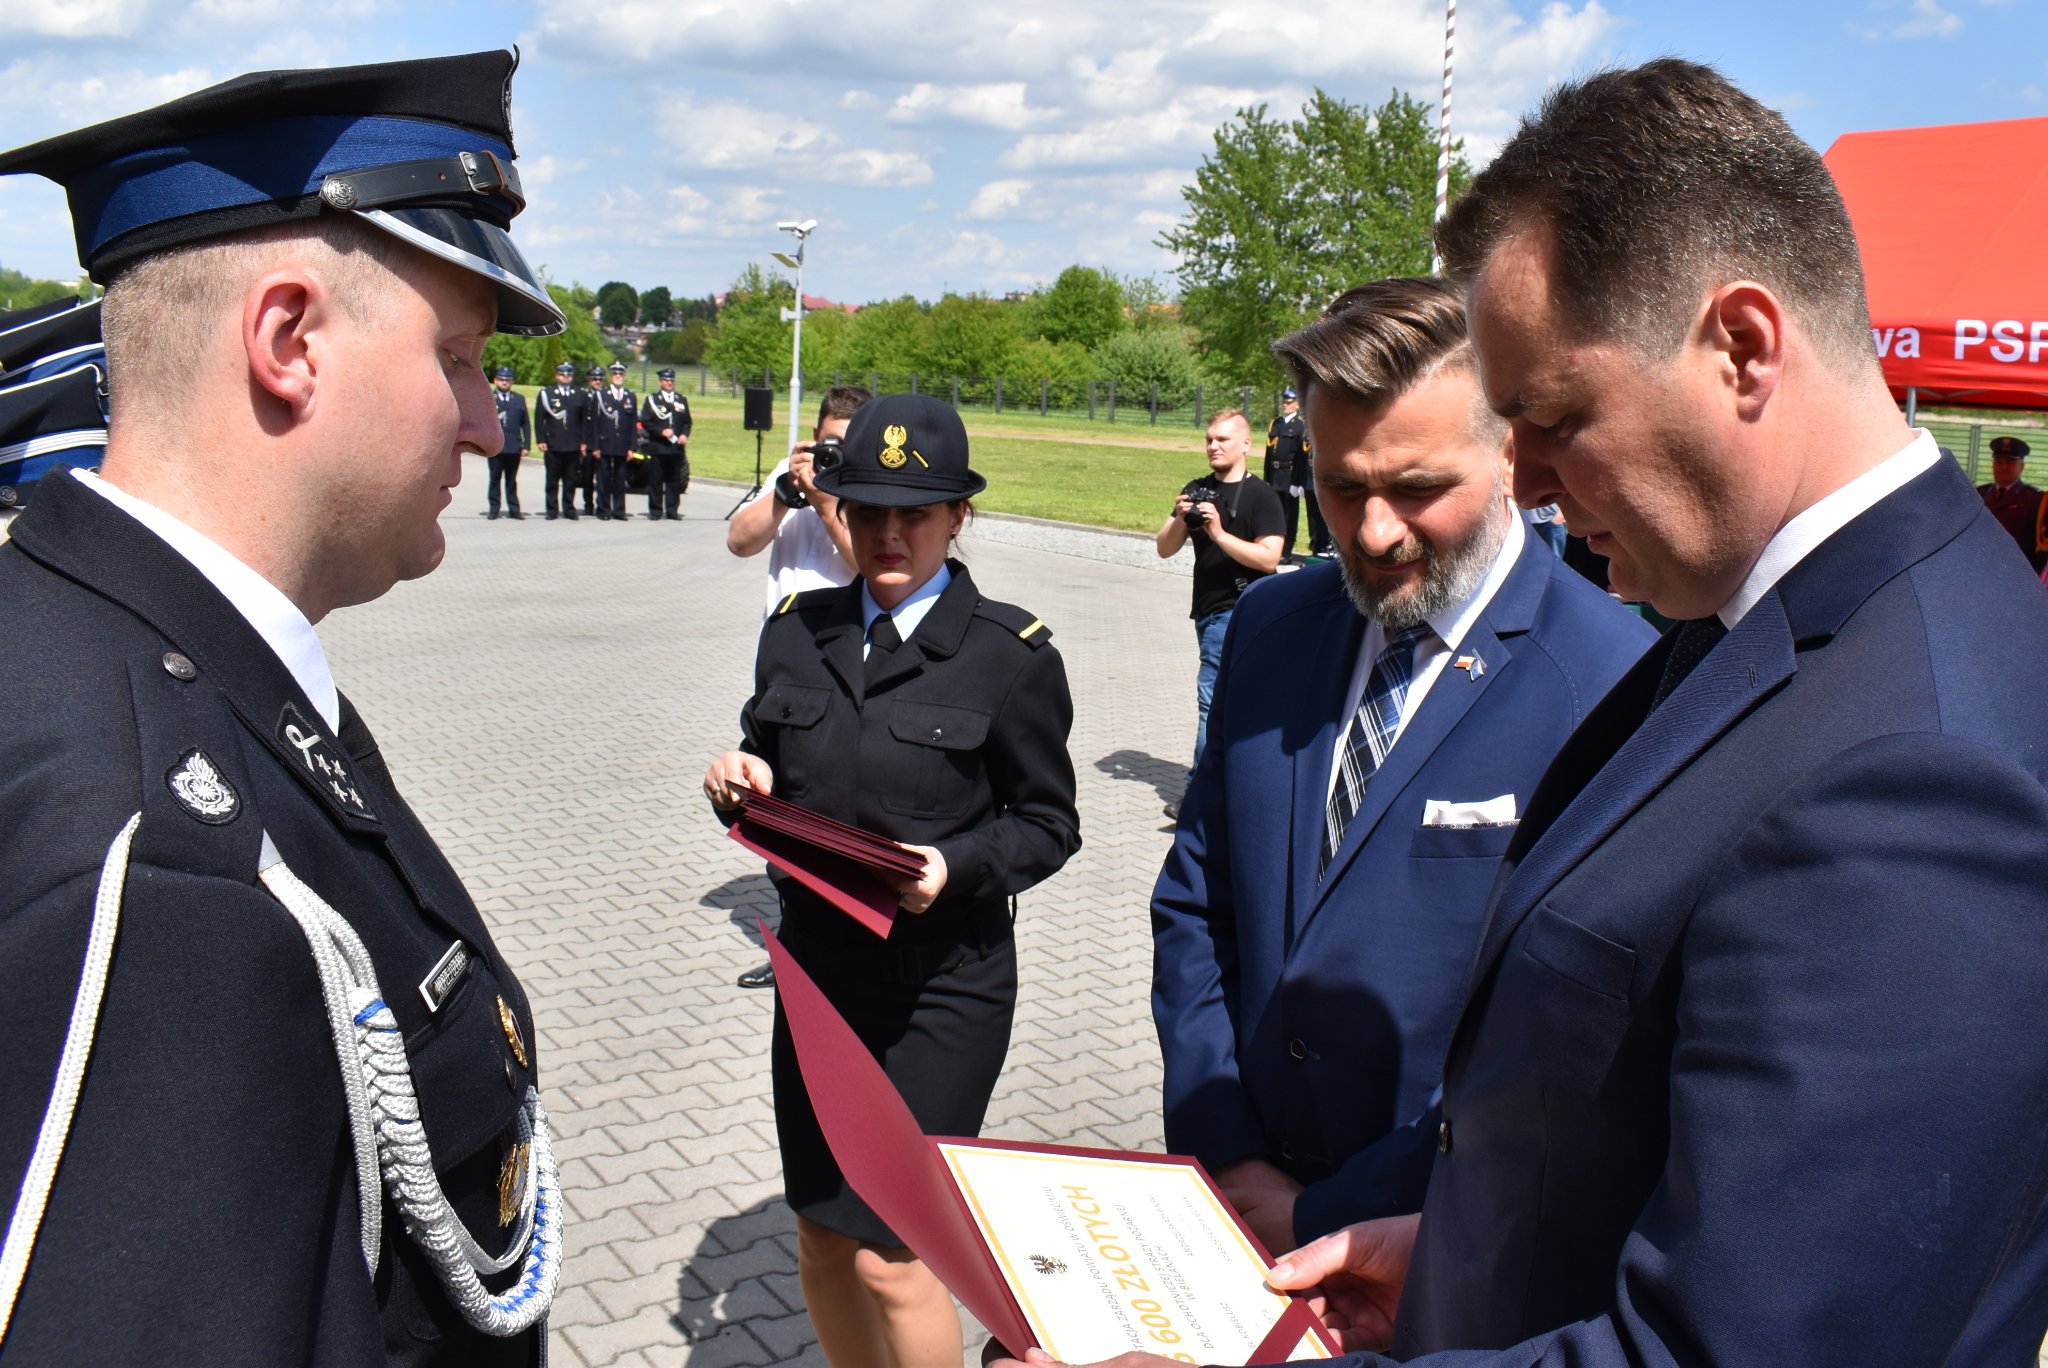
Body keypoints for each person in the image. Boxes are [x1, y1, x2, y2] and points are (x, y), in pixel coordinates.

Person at [1001, 57, 2048, 1368]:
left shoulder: (1921, 763)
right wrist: (1458, 1264)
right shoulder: (1787, 624)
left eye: (1554, 417)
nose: (1533, 484)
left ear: (1742, 347)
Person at [0, 49, 569, 1363]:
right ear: (289, 341)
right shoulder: (166, 873)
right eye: (461, 357)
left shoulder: (132, 647)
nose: (489, 425)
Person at [1151, 279, 1653, 1257]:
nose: (1374, 532)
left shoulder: (1609, 686)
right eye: (1342, 488)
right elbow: (1197, 904)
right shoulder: (1271, 626)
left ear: (1509, 450)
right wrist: (1225, 1147)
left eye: (1416, 488)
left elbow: (1562, 1046)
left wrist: (1328, 1209)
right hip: (1232, 1204)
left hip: (1444, 1248)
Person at [702, 393, 1080, 1368]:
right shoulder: (796, 629)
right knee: (821, 1235)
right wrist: (738, 781)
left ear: (959, 516)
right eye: (866, 508)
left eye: (914, 512)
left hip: (941, 987)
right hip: (820, 982)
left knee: (891, 1253)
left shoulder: (1009, 654)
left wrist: (956, 868)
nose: (887, 531)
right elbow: (767, 757)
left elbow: (1047, 824)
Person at [726, 383, 872, 991]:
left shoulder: (866, 494)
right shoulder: (793, 483)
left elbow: (864, 562)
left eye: (845, 444)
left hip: (846, 669)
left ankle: (850, 943)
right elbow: (739, 540)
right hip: (783, 668)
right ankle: (795, 945)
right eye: (826, 442)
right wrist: (789, 493)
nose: (832, 454)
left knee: (840, 806)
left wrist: (827, 497)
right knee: (782, 808)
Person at [1155, 409, 1285, 810]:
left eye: (1222, 439)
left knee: (1212, 699)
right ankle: (1241, 781)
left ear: (1245, 443)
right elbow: (1164, 547)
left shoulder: (1261, 495)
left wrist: (1218, 533)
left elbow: (1268, 559)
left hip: (1243, 609)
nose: (1213, 446)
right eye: (1209, 439)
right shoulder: (1197, 489)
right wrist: (1181, 517)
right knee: (1235, 700)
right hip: (1208, 612)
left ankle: (1200, 793)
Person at [1978, 434, 2044, 572]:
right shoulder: (1978, 495)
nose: (2003, 467)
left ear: (2022, 466)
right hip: (1979, 569)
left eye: (2010, 462)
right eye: (1999, 461)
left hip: (2016, 573)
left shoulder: (2035, 501)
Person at [1263, 386, 1311, 562]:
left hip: (1290, 476)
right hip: (1275, 475)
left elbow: (1301, 458)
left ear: (1297, 405)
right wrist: (1267, 478)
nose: (1285, 405)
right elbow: (1269, 455)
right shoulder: (1276, 423)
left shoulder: (1300, 426)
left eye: (1289, 402)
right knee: (1273, 514)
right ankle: (1273, 548)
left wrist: (1297, 482)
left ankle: (1287, 550)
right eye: (1283, 401)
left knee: (1289, 516)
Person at [535, 359, 585, 519]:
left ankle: (569, 509)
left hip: (573, 444)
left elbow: (584, 421)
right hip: (553, 443)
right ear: (557, 376)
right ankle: (552, 510)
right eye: (562, 374)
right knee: (552, 479)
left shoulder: (580, 394)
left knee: (570, 480)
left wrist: (583, 442)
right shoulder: (547, 393)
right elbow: (539, 419)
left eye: (569, 374)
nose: (566, 376)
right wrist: (541, 439)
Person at [641, 366, 692, 520]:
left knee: (674, 480)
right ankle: (656, 510)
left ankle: (672, 510)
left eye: (671, 380)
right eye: (666, 380)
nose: (669, 383)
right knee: (656, 480)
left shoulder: (681, 400)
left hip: (676, 448)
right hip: (659, 447)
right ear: (660, 382)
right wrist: (661, 432)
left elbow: (687, 422)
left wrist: (684, 434)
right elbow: (646, 421)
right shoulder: (653, 400)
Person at [589, 360, 637, 521]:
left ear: (624, 376)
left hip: (622, 445)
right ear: (610, 376)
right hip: (604, 443)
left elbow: (632, 424)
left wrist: (632, 447)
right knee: (603, 479)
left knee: (620, 479)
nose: (618, 376)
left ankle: (619, 510)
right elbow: (594, 423)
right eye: (615, 374)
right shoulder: (601, 395)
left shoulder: (630, 396)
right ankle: (603, 510)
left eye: (620, 374)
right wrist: (595, 446)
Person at [486, 364, 529, 519]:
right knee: (494, 479)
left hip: (514, 446)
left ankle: (514, 509)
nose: (505, 382)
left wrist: (527, 444)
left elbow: (525, 423)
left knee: (511, 480)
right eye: (502, 379)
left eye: (508, 380)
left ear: (512, 382)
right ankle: (494, 509)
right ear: (495, 381)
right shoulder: (489, 398)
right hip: (496, 447)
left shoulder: (519, 399)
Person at [577, 364, 604, 515]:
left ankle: (601, 504)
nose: (597, 381)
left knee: (602, 477)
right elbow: (581, 421)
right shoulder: (584, 397)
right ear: (589, 380)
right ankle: (588, 504)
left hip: (602, 443)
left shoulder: (606, 396)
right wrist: (582, 441)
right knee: (587, 477)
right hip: (587, 443)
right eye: (595, 379)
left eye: (600, 379)